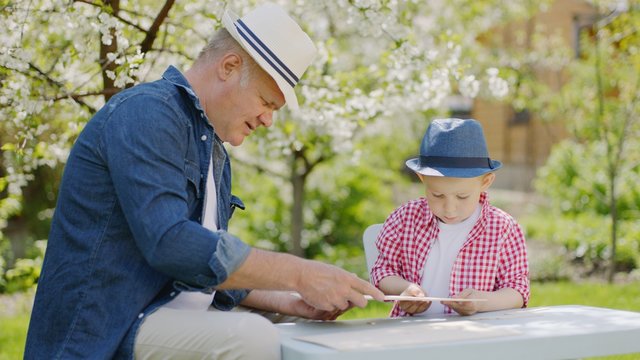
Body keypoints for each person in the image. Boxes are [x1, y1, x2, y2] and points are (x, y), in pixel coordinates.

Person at [25, 4, 384, 359]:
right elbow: (170, 243)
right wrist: (299, 273)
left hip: (163, 319)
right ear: (229, 66)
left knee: (306, 330)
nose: (268, 120)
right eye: (266, 101)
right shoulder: (147, 112)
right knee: (249, 338)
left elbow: (206, 270)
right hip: (105, 331)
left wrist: (291, 301)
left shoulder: (212, 152)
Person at [370, 118, 529, 318]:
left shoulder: (503, 228)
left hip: (474, 338)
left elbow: (517, 291)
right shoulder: (404, 219)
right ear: (422, 179)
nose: (450, 208)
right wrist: (404, 290)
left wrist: (481, 302)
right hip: (410, 336)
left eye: (462, 197)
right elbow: (383, 271)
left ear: (485, 182)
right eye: (437, 195)